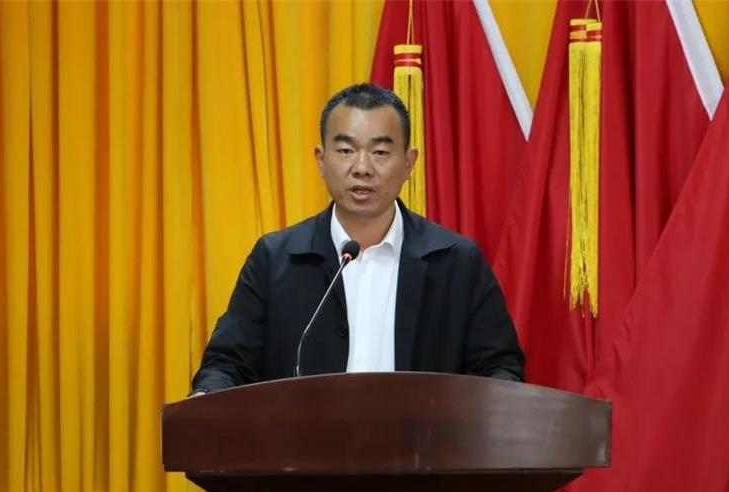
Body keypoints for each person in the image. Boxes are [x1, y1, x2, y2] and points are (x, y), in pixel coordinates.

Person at [191, 83, 524, 396]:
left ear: (408, 163)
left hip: (424, 440)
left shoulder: (456, 261)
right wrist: (208, 395)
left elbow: (498, 367)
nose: (362, 167)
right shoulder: (276, 259)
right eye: (346, 150)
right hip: (302, 440)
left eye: (380, 152)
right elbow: (227, 363)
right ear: (321, 160)